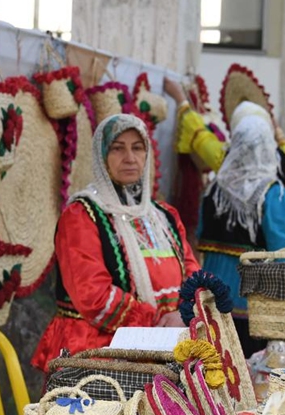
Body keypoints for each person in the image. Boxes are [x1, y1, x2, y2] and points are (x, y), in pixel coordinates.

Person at [32, 114, 200, 373]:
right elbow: (93, 295)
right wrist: (157, 323)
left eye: (137, 148)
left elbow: (193, 275)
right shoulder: (81, 215)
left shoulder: (164, 216)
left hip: (166, 349)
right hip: (99, 353)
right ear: (101, 156)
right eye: (117, 148)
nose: (129, 158)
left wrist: (184, 313)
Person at [164, 79, 285, 357]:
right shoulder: (272, 194)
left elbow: (198, 239)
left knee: (213, 372)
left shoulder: (214, 190)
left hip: (210, 302)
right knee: (249, 382)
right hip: (254, 307)